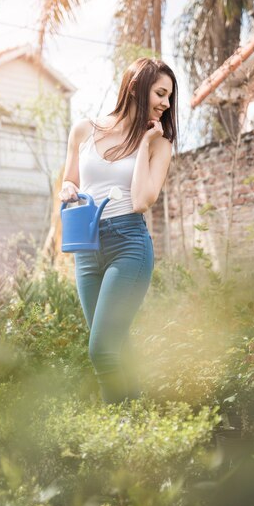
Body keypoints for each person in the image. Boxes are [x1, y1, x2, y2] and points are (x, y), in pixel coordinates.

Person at [59, 57, 178, 403]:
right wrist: (67, 188)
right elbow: (71, 179)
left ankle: (118, 431)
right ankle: (140, 422)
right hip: (86, 246)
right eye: (160, 93)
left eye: (169, 97)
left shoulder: (160, 144)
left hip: (129, 246)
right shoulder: (84, 130)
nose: (166, 104)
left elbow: (142, 200)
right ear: (135, 87)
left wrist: (142, 144)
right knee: (117, 347)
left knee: (101, 351)